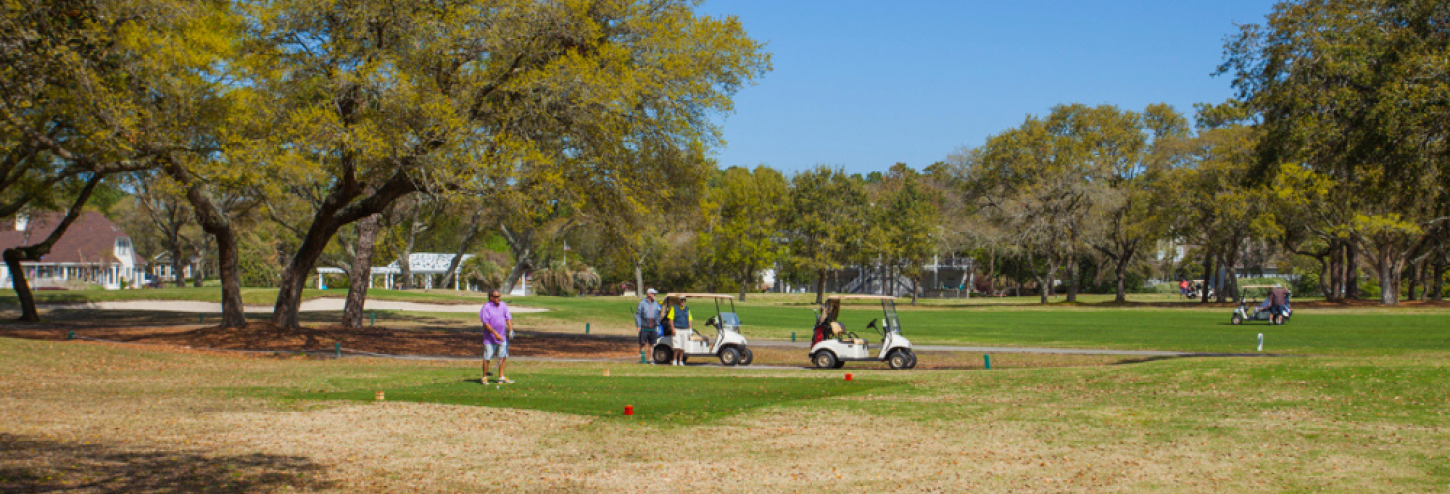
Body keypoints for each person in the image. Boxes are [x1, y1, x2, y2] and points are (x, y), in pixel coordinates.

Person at [479, 290, 514, 383]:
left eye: (499, 296)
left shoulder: (503, 305)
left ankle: (501, 377)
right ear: (491, 298)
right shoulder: (486, 308)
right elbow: (486, 324)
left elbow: (508, 318)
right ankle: (484, 377)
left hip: (502, 337)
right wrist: (496, 334)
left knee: (503, 356)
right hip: (490, 338)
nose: (498, 298)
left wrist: (511, 330)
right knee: (487, 357)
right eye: (496, 297)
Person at [635, 288, 662, 364]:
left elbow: (658, 315)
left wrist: (657, 323)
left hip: (653, 326)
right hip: (644, 326)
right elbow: (638, 315)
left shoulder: (656, 304)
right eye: (653, 294)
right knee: (642, 343)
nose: (655, 295)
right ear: (649, 294)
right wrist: (638, 325)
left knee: (652, 344)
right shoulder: (642, 303)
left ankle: (650, 359)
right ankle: (642, 359)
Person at [666, 296, 693, 366]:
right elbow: (671, 319)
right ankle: (674, 360)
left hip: (685, 329)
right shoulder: (674, 308)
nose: (683, 302)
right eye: (681, 301)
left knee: (683, 347)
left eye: (684, 301)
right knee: (676, 346)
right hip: (677, 329)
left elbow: (689, 319)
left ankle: (680, 361)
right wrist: (672, 328)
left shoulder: (687, 309)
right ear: (679, 301)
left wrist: (690, 329)